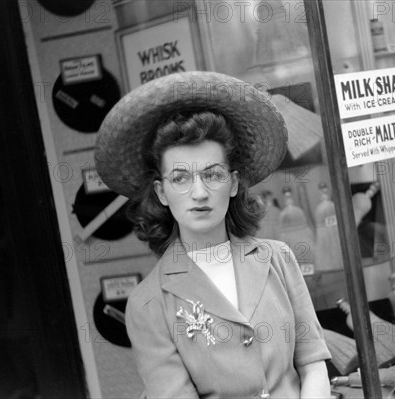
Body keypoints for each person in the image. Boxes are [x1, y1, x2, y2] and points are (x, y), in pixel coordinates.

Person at [95, 71, 331, 398]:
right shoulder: (149, 303)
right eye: (180, 178)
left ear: (233, 183)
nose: (200, 192)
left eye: (213, 174)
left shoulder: (278, 260)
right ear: (161, 192)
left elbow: (314, 366)